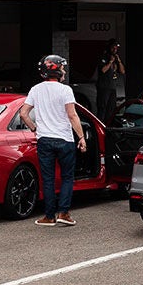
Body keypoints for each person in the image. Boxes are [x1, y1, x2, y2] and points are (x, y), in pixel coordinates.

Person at [19, 55, 87, 227]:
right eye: (63, 68)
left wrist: (34, 128)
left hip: (45, 140)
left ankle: (49, 216)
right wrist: (81, 137)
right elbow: (72, 115)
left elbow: (23, 113)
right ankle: (64, 213)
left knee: (48, 179)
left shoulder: (35, 89)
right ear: (56, 70)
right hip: (64, 139)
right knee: (67, 177)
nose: (64, 71)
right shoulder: (66, 90)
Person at [95, 38, 125, 126]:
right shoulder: (103, 57)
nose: (115, 50)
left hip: (112, 87)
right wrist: (110, 61)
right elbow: (103, 70)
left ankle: (108, 126)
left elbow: (122, 71)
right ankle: (100, 125)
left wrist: (118, 61)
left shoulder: (116, 58)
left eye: (116, 48)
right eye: (113, 48)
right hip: (104, 87)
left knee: (111, 108)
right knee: (102, 107)